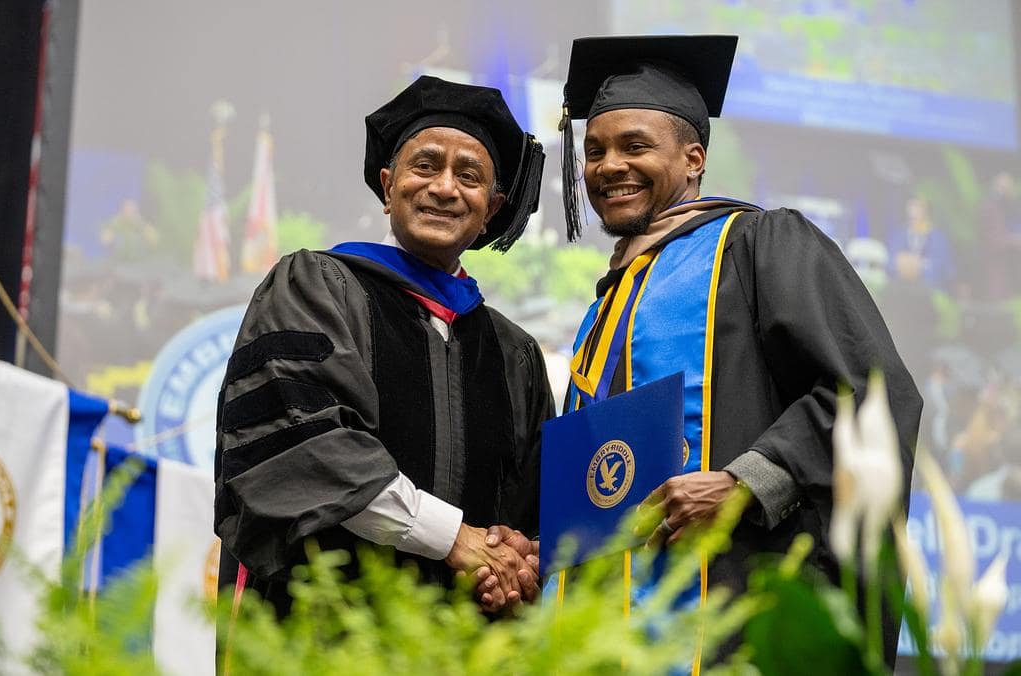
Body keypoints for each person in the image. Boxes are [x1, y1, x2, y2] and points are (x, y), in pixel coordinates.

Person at [555, 35, 922, 664]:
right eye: (594, 151)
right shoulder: (605, 307)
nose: (607, 165)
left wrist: (743, 483)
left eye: (634, 146)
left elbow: (872, 392)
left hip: (736, 616)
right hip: (618, 639)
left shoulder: (759, 242)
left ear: (694, 158)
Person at [214, 76, 553, 619]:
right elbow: (303, 446)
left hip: (462, 642)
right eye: (426, 166)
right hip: (324, 627)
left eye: (469, 176)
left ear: (491, 209)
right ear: (388, 184)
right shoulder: (315, 286)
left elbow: (526, 509)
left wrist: (510, 568)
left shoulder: (514, 354)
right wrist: (455, 540)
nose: (444, 187)